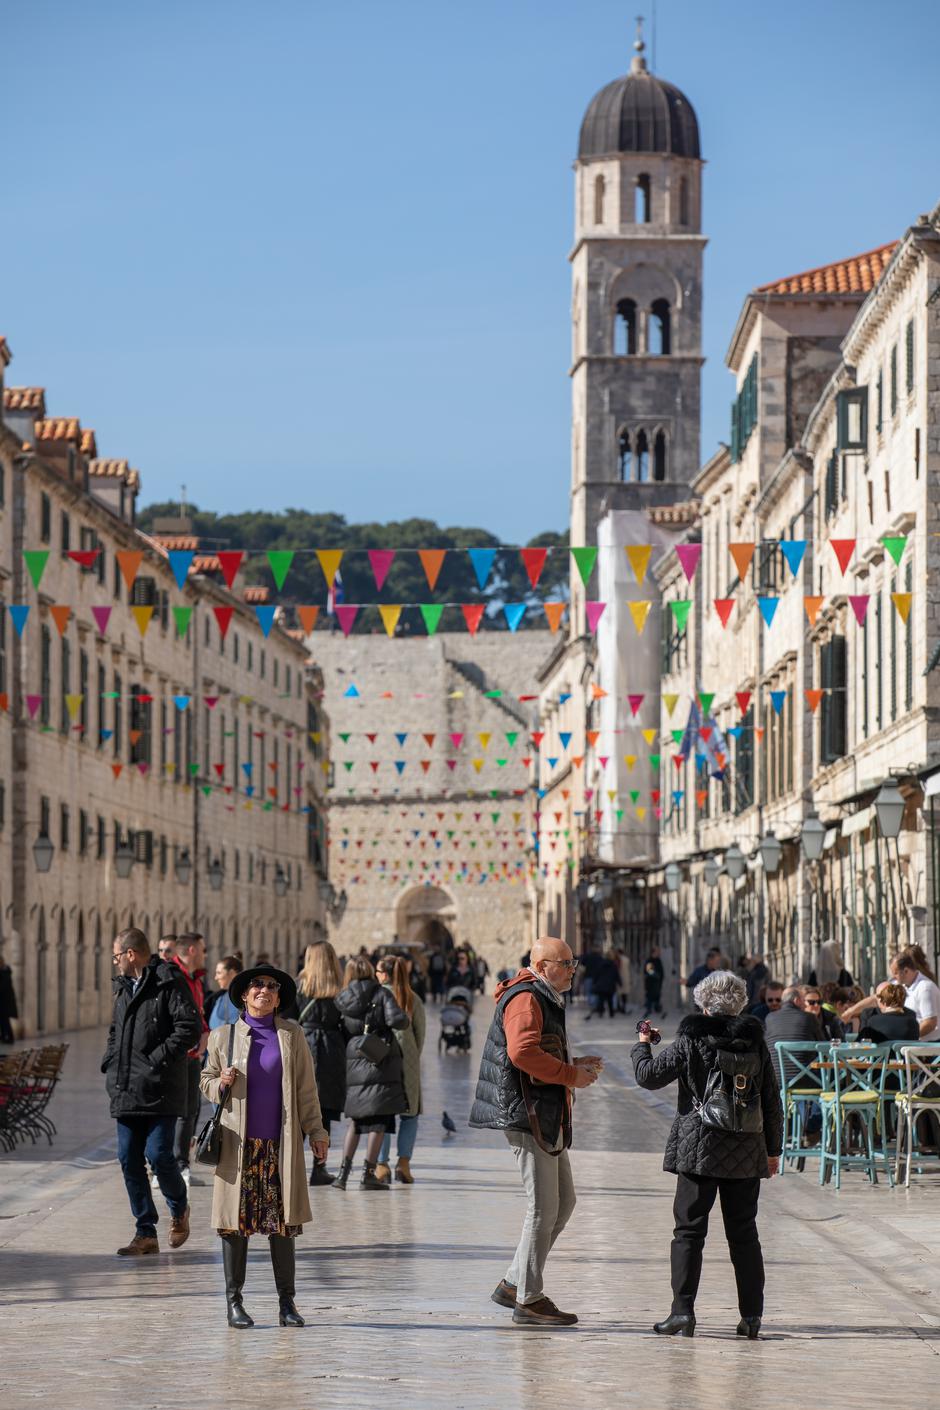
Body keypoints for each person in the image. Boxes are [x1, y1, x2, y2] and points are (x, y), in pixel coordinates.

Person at [632, 970, 783, 1339]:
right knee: (745, 1234)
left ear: (703, 1002)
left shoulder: (691, 1039)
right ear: (741, 1003)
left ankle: (682, 1313)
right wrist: (773, 1151)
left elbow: (648, 1077)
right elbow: (771, 1100)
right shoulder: (756, 1043)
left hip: (700, 1148)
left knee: (688, 1232)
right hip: (747, 1150)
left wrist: (641, 1044)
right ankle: (752, 1317)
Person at [469, 936, 603, 1327]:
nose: (573, 969)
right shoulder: (527, 998)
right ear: (543, 966)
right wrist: (570, 1075)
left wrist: (572, 1062)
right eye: (566, 962)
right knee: (543, 1208)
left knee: (564, 1202)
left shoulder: (543, 995)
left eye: (573, 961)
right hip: (527, 1112)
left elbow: (536, 1047)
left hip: (543, 1110)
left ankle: (514, 1282)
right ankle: (529, 1298)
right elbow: (522, 1053)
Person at [201, 962, 328, 1328]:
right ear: (244, 993)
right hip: (238, 1147)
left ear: (278, 997)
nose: (265, 990)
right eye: (257, 985)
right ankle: (234, 1303)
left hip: (279, 1145)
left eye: (272, 986)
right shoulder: (223, 1037)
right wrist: (219, 1083)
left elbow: (306, 1090)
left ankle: (287, 1303)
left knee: (282, 1226)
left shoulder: (292, 1035)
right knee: (233, 1226)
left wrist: (316, 1132)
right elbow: (205, 1080)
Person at [103, 927, 201, 1256]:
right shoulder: (122, 988)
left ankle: (179, 1209)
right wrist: (111, 1062)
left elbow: (188, 1028)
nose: (115, 962)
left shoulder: (168, 982)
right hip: (126, 1086)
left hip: (160, 1086)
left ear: (130, 954)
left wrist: (154, 1061)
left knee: (159, 1155)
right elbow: (116, 1029)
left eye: (117, 955)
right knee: (128, 1158)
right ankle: (145, 1231)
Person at [332, 956, 409, 1190]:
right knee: (379, 1119)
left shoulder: (343, 997)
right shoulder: (381, 993)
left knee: (356, 1119)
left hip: (354, 1058)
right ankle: (368, 1173)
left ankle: (343, 1175)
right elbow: (398, 1020)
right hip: (378, 1059)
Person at [296, 940, 347, 1185]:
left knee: (299, 1108)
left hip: (305, 1046)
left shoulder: (299, 986)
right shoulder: (339, 988)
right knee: (322, 1111)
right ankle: (319, 1167)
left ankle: (292, 1165)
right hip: (331, 1052)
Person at [374, 954, 426, 1184]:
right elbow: (420, 1035)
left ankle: (381, 1164)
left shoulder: (374, 997)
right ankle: (404, 1164)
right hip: (408, 1061)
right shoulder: (412, 999)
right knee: (410, 1114)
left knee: (383, 1113)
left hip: (380, 1061)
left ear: (384, 974)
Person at [170, 931, 209, 1185]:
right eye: (203, 949)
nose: (206, 955)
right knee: (182, 1111)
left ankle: (181, 1162)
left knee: (192, 1109)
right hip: (180, 1054)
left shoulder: (195, 979)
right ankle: (177, 1165)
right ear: (192, 950)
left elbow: (198, 1013)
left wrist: (204, 1032)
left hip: (194, 1054)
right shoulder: (173, 977)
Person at [763, 986, 822, 1082]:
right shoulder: (809, 1018)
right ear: (797, 1000)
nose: (805, 1004)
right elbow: (823, 1047)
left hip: (776, 1080)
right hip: (809, 1080)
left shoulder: (769, 1018)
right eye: (803, 1000)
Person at [896, 951, 940, 1038]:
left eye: (895, 973)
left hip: (928, 1046)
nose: (894, 977)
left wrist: (908, 1038)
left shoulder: (925, 988)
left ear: (906, 971)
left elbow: (930, 1022)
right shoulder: (905, 986)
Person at [208, 955, 243, 1030]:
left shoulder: (247, 1001)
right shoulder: (218, 999)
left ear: (231, 973)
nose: (216, 978)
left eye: (219, 973)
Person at [585, 949, 621, 1019]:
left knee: (601, 999)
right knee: (609, 1000)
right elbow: (616, 975)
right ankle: (611, 1013)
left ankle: (600, 1013)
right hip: (610, 984)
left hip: (601, 984)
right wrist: (619, 982)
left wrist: (595, 982)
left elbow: (597, 974)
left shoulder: (601, 964)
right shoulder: (613, 965)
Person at [0, 952, 18, 1044]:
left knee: (5, 1021)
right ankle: (4, 1037)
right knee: (3, 1021)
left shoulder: (5, 973)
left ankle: (9, 1038)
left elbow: (4, 987)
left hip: (5, 1002)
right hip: (3, 1002)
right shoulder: (5, 972)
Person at [643, 947, 666, 1019]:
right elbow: (648, 971)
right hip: (650, 983)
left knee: (657, 997)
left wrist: (660, 978)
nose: (659, 953)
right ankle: (648, 1011)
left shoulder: (658, 960)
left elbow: (661, 972)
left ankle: (657, 1010)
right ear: (653, 952)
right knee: (650, 998)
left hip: (657, 983)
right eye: (657, 952)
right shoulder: (649, 961)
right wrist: (656, 975)